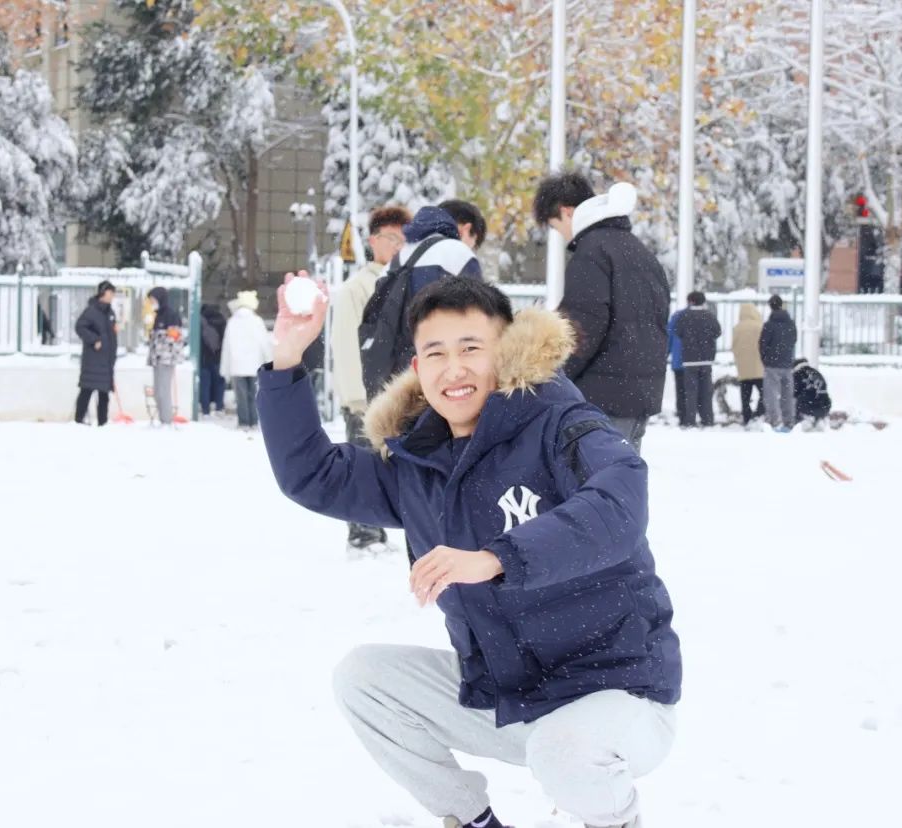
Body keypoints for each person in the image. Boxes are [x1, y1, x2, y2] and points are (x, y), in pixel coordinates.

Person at [258, 277, 681, 828]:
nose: (453, 369)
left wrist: (499, 557)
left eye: (471, 349)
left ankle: (617, 819)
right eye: (436, 353)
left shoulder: (561, 425)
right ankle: (474, 822)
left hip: (620, 698)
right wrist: (288, 354)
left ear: (504, 352)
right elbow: (313, 474)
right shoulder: (419, 466)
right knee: (363, 679)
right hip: (515, 697)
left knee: (563, 751)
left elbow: (619, 501)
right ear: (417, 366)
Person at [533, 173, 670, 451]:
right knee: (622, 473)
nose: (562, 235)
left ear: (566, 212)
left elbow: (580, 328)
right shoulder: (640, 252)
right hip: (639, 394)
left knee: (594, 473)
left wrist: (551, 376)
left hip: (602, 396)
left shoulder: (592, 253)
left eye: (556, 227)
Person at [332, 205, 411, 557]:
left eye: (402, 239)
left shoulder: (405, 280)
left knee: (385, 467)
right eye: (390, 238)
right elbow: (346, 344)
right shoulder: (357, 288)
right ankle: (362, 534)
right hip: (365, 397)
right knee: (364, 466)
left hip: (395, 395)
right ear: (373, 241)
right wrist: (356, 397)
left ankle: (375, 531)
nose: (397, 246)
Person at [359, 205, 482, 401]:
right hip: (443, 370)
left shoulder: (394, 262)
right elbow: (479, 317)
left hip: (396, 375)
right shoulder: (457, 252)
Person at [220, 290, 272, 430]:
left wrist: (224, 369)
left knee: (241, 396)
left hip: (237, 365)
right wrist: (269, 363)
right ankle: (254, 421)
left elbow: (226, 346)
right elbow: (265, 344)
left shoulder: (232, 322)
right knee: (255, 394)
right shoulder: (257, 321)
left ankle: (243, 422)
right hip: (255, 365)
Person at [73, 280, 119, 426]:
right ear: (102, 293)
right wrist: (94, 340)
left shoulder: (110, 312)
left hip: (106, 359)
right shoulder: (91, 311)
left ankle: (102, 422)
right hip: (93, 359)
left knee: (104, 393)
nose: (112, 296)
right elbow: (80, 327)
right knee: (87, 390)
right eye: (110, 292)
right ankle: (79, 419)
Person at [674, 291, 721, 428]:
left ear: (691, 301)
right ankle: (708, 419)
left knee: (690, 391)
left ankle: (690, 420)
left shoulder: (684, 316)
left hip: (689, 359)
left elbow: (678, 332)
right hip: (706, 359)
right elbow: (717, 332)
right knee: (706, 391)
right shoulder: (709, 316)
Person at [759, 294, 797, 432]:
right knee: (787, 394)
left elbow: (763, 344)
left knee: (771, 394)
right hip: (787, 363)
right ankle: (789, 421)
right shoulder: (791, 323)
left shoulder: (769, 325)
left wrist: (765, 359)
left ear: (770, 306)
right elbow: (793, 340)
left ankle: (774, 420)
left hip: (772, 364)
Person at [146, 286, 183, 426]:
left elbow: (176, 337)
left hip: (166, 358)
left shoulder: (171, 315)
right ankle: (163, 419)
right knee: (157, 391)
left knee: (163, 390)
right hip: (157, 358)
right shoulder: (158, 315)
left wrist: (159, 335)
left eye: (153, 300)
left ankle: (167, 421)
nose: (152, 303)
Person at [731, 304, 764, 427]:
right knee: (764, 393)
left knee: (745, 395)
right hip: (758, 365)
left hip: (743, 367)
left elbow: (734, 346)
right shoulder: (759, 326)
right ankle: (759, 414)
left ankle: (746, 416)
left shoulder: (737, 328)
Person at [199, 303, 227, 416]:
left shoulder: (201, 321)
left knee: (205, 384)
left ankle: (205, 409)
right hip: (219, 357)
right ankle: (219, 407)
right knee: (219, 383)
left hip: (204, 358)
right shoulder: (222, 320)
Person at [792, 358, 831, 430]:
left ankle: (805, 420)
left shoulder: (797, 374)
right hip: (824, 406)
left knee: (792, 400)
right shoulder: (817, 373)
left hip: (806, 407)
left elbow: (793, 393)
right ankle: (818, 419)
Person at [667, 308, 685, 422]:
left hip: (678, 360)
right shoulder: (702, 315)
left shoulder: (677, 317)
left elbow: (668, 337)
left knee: (681, 389)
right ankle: (693, 414)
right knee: (695, 390)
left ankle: (682, 414)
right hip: (695, 360)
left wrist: (665, 353)